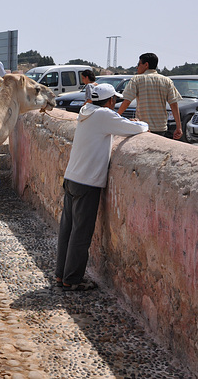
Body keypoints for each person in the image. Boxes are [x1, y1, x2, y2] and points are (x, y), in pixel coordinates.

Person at [56, 83, 149, 291]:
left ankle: (60, 275)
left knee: (67, 229)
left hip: (72, 177)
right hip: (87, 182)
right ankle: (72, 279)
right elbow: (137, 128)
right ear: (110, 101)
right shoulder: (104, 115)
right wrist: (141, 123)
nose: (115, 103)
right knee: (81, 233)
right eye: (114, 100)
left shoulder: (86, 111)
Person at [116, 52, 182, 139]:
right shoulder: (166, 80)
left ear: (146, 65)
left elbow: (127, 101)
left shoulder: (136, 79)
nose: (137, 67)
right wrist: (179, 127)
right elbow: (173, 104)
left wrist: (116, 117)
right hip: (161, 127)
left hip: (142, 127)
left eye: (139, 64)